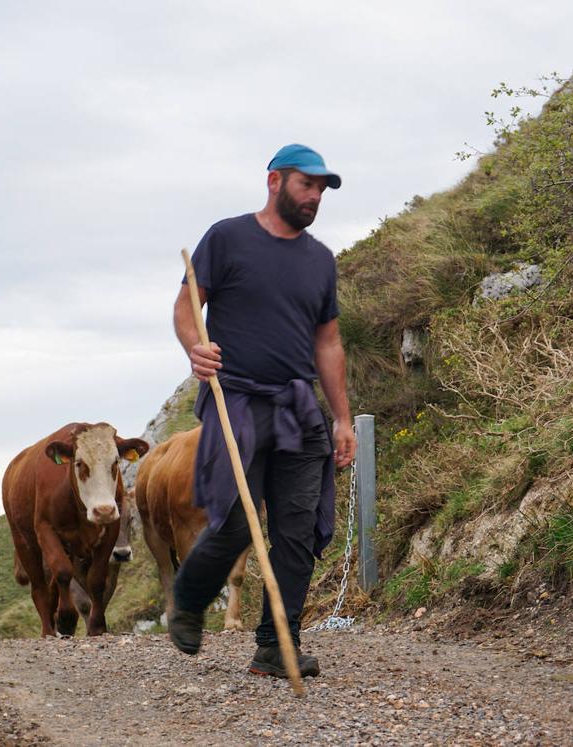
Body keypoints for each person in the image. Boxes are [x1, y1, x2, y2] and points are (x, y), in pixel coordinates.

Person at [169, 143, 356, 678]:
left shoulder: (320, 259)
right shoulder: (228, 238)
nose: (316, 196)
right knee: (234, 522)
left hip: (299, 407)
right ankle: (189, 596)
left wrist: (341, 419)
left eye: (322, 189)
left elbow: (329, 343)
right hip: (238, 401)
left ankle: (277, 645)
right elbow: (187, 307)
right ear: (275, 181)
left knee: (298, 531)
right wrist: (193, 347)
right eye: (307, 184)